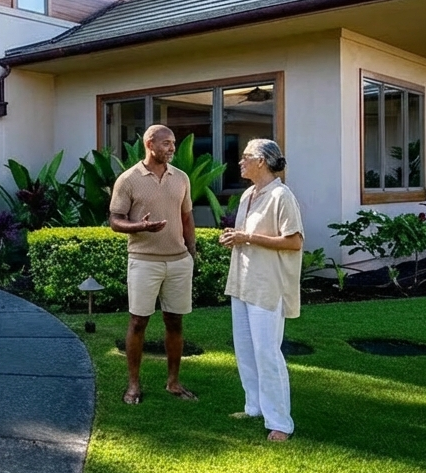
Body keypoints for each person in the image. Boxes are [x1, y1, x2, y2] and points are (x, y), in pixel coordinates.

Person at [219, 138, 303, 442]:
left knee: (267, 353)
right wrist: (236, 237)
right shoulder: (247, 196)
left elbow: (294, 241)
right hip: (242, 282)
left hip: (268, 285)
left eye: (245, 157)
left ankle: (280, 422)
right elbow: (247, 236)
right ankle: (254, 406)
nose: (240, 162)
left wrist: (248, 238)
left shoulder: (281, 196)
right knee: (245, 350)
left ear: (262, 162)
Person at [108, 124, 199, 405]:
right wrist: (141, 226)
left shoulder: (181, 178)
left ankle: (173, 382)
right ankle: (133, 385)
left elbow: (187, 219)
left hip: (178, 262)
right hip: (144, 261)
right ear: (150, 144)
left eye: (173, 143)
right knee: (138, 322)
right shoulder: (129, 179)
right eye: (166, 143)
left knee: (175, 322)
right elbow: (115, 220)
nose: (172, 148)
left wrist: (192, 253)